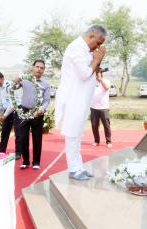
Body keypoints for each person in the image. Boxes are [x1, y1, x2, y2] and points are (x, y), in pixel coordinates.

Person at [55, 25, 107, 180]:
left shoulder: (85, 50)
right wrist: (97, 59)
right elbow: (84, 74)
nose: (98, 47)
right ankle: (74, 169)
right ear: (91, 36)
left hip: (81, 99)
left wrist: (97, 62)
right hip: (73, 98)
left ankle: (78, 167)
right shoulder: (76, 48)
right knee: (72, 134)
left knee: (77, 135)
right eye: (98, 43)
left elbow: (89, 72)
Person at [15, 60, 50, 170]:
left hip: (37, 113)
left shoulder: (45, 84)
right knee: (23, 137)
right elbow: (15, 86)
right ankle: (25, 161)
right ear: (33, 67)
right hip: (24, 112)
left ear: (43, 70)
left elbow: (46, 100)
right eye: (37, 67)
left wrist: (41, 109)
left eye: (42, 68)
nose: (39, 69)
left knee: (37, 138)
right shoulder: (25, 79)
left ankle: (36, 162)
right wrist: (16, 81)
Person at [0, 71, 22, 159]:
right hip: (8, 111)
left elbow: (13, 103)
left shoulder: (10, 85)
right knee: (4, 131)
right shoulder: (1, 87)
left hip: (16, 110)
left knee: (18, 132)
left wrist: (4, 116)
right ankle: (2, 150)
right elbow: (1, 103)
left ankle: (18, 152)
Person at [90, 70, 112, 148]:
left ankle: (108, 141)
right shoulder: (92, 83)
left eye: (97, 74)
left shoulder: (106, 81)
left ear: (101, 74)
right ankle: (96, 141)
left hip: (104, 108)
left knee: (106, 125)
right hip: (93, 107)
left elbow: (106, 87)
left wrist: (100, 80)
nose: (96, 75)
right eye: (95, 74)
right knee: (94, 125)